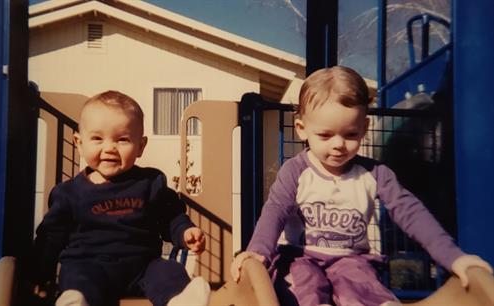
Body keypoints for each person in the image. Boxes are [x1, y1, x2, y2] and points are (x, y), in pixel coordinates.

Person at [230, 66, 493, 306]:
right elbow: (275, 211)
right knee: (304, 284)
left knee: (360, 285)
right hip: (301, 256)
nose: (338, 144)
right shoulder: (296, 171)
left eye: (350, 134)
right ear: (302, 128)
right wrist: (257, 253)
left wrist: (453, 257)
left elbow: (411, 213)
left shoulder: (375, 173)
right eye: (325, 135)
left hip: (351, 258)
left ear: (364, 127)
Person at [33, 90, 210, 306]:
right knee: (78, 279)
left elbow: (170, 215)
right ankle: (77, 301)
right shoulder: (69, 193)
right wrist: (38, 276)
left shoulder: (150, 183)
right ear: (79, 143)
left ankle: (181, 299)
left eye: (123, 139)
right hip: (90, 265)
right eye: (97, 138)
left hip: (143, 265)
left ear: (141, 146)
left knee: (168, 271)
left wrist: (184, 231)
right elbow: (50, 238)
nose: (109, 148)